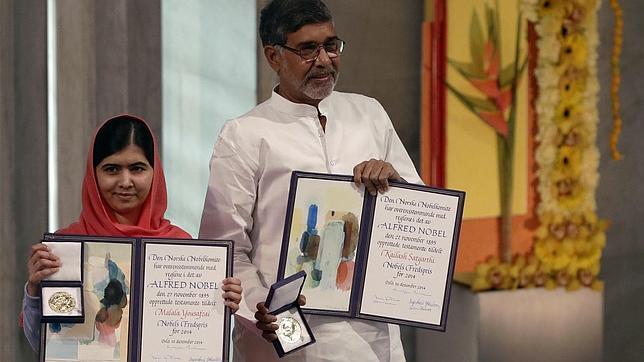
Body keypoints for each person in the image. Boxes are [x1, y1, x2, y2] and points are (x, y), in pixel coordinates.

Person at [199, 0, 422, 360]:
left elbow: (420, 217)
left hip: (373, 336)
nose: (324, 60)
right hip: (287, 335)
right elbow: (224, 249)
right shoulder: (245, 134)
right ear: (274, 56)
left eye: (331, 46)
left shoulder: (368, 113)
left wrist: (394, 180)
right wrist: (265, 309)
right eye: (307, 49)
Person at [22, 114, 243, 352]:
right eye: (112, 169)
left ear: (154, 172)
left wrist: (219, 302)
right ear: (93, 174)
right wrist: (34, 292)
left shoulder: (181, 247)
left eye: (137, 168)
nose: (125, 181)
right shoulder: (66, 248)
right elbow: (46, 345)